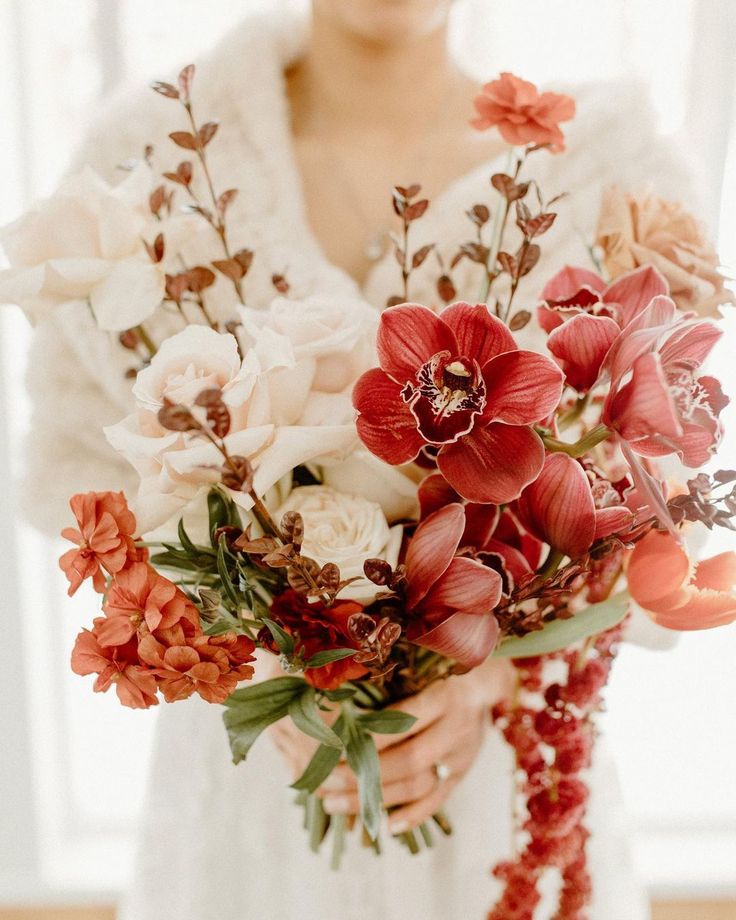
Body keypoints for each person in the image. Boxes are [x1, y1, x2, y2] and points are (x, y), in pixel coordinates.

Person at [23, 2, 694, 917]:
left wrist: (493, 673)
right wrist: (258, 665)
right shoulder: (148, 159)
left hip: (505, 796)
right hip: (256, 794)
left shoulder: (600, 175)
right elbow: (73, 469)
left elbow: (657, 505)